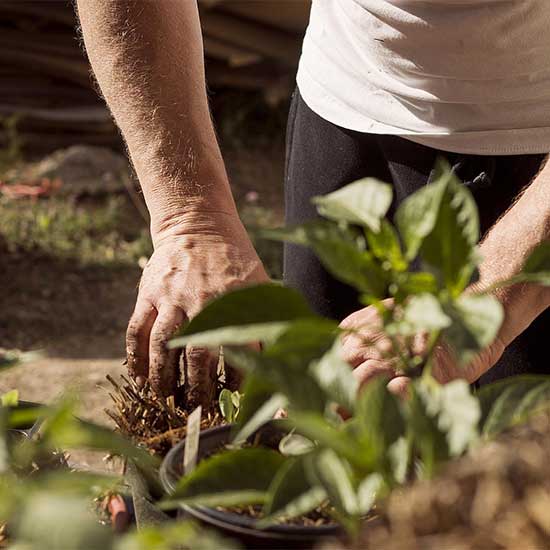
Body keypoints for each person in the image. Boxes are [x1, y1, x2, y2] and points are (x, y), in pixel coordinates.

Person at [77, 0, 550, 403]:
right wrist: (191, 217)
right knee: (321, 443)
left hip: (535, 160)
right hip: (342, 112)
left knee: (513, 488)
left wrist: (484, 299)